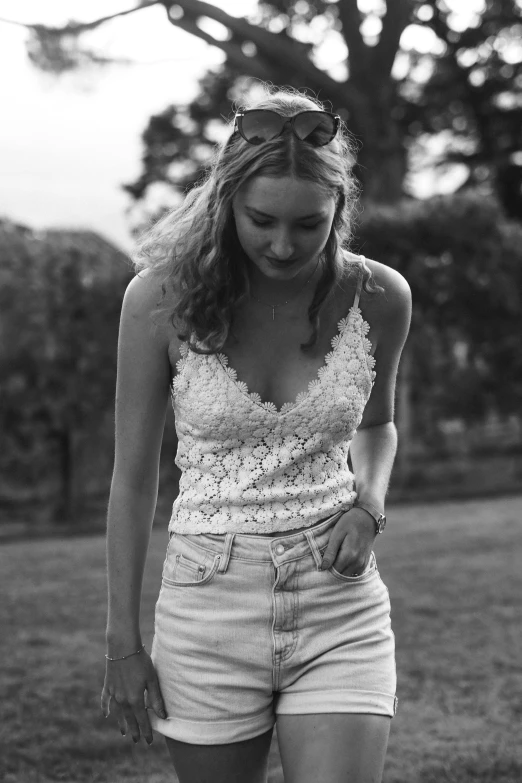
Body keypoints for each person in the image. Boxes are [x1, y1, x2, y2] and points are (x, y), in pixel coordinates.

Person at [101, 85, 411, 783]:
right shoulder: (159, 300)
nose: (282, 243)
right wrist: (122, 638)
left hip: (339, 598)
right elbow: (132, 474)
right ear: (226, 201)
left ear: (339, 206)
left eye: (309, 223)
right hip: (207, 599)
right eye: (261, 219)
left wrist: (368, 505)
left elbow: (380, 424)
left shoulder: (381, 295)